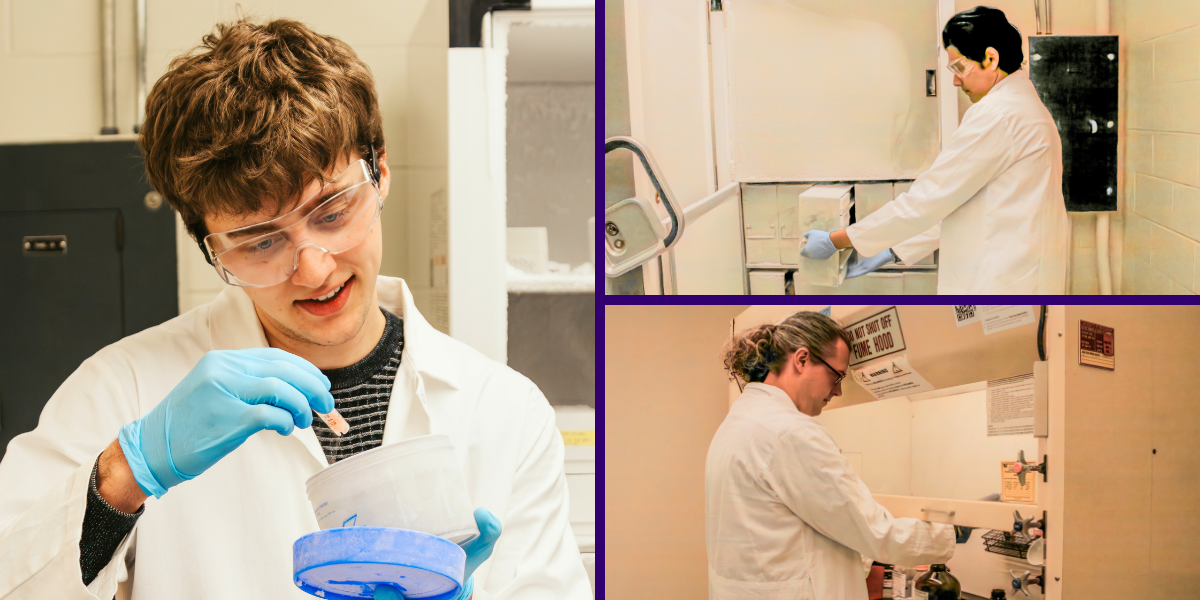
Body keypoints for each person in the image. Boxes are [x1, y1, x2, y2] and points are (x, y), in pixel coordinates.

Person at [0, 18, 590, 600]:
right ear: (210, 247)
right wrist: (127, 474)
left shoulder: (504, 411)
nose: (313, 269)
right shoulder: (122, 389)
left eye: (332, 213)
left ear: (379, 172)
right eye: (260, 242)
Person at [800, 6, 1069, 294]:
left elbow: (928, 199)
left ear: (991, 58)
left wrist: (838, 239)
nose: (955, 81)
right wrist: (892, 249)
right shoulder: (1023, 105)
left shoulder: (998, 114)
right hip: (1020, 278)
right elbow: (966, 201)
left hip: (1001, 284)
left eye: (959, 67)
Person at [705, 312, 969, 600]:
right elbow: (873, 530)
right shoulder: (789, 432)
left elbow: (806, 531)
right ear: (802, 359)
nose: (839, 390)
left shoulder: (737, 424)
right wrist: (955, 529)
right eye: (837, 375)